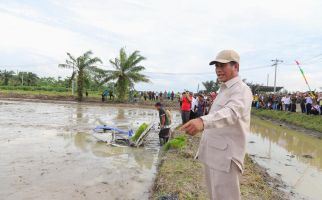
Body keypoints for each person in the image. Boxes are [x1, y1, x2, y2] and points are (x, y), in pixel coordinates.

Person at [180, 50, 252, 200]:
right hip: (214, 153)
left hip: (226, 158)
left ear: (236, 67)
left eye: (223, 65)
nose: (218, 69)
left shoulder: (242, 90)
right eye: (216, 66)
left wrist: (202, 121)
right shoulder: (224, 89)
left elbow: (231, 113)